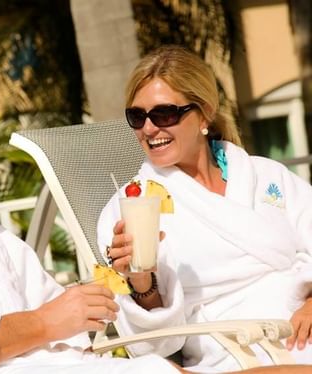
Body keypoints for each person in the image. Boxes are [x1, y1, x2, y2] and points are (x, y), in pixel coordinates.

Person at [0, 58, 310, 374]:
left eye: (167, 114)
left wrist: (65, 319)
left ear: (203, 115)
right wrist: (112, 297)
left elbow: (65, 313)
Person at [97, 45, 312, 372]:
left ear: (205, 114)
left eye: (164, 114)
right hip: (238, 350)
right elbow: (155, 346)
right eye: (137, 117)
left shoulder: (266, 175)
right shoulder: (130, 207)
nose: (149, 129)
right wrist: (142, 282)